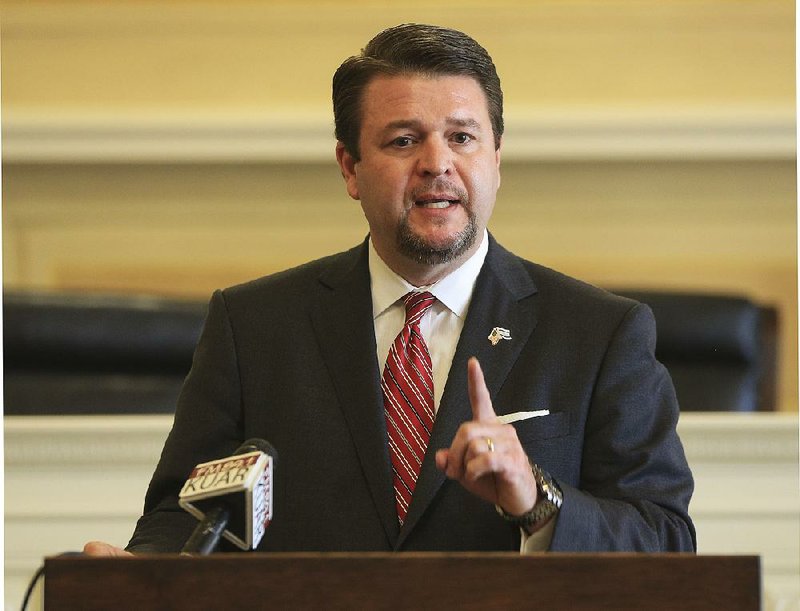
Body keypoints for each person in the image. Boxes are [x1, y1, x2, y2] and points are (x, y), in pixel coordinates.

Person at [85, 23, 694, 557]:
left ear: (497, 159)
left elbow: (664, 540)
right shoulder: (253, 326)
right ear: (350, 168)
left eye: (462, 137)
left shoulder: (599, 332)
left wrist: (536, 499)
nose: (437, 163)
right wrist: (141, 574)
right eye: (404, 140)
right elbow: (183, 518)